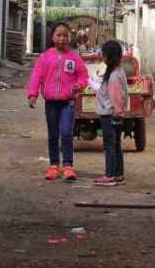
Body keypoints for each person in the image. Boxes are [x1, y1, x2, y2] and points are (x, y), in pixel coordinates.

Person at [27, 22, 89, 181]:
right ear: (52, 37)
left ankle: (68, 165)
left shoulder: (74, 58)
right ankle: (54, 165)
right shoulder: (45, 57)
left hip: (68, 102)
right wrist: (32, 94)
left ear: (70, 38)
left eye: (65, 35)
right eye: (59, 35)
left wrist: (79, 85)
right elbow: (36, 76)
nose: (62, 38)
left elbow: (83, 76)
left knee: (67, 132)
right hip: (51, 103)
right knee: (53, 134)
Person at [94, 40, 128, 186]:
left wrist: (116, 112)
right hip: (116, 114)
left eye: (103, 54)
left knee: (109, 145)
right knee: (116, 145)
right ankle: (118, 174)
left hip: (110, 114)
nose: (102, 57)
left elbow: (115, 96)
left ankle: (109, 175)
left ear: (108, 57)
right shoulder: (119, 72)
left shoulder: (113, 75)